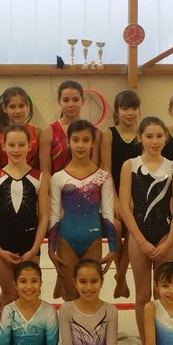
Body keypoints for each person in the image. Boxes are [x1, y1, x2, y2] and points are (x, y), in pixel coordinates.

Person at [119, 116, 173, 342]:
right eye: (149, 136)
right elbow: (124, 207)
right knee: (143, 294)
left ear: (166, 137)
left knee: (165, 293)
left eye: (159, 136)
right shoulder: (130, 165)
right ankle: (148, 344)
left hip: (165, 234)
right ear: (140, 138)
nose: (154, 141)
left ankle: (165, 342)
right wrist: (141, 240)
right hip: (139, 235)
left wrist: (170, 240)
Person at [47, 119, 118, 301]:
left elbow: (108, 214)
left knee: (90, 293)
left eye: (86, 140)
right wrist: (51, 249)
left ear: (93, 143)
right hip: (66, 239)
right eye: (76, 140)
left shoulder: (103, 177)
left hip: (93, 239)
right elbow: (54, 214)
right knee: (71, 294)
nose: (80, 145)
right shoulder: (58, 177)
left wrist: (112, 248)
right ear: (67, 142)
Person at [0, 124, 49, 306]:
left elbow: (44, 217)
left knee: (28, 295)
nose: (16, 150)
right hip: (4, 245)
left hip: (30, 244)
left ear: (30, 146)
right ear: (3, 146)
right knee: (9, 295)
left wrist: (34, 249)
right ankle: (4, 325)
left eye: (21, 145)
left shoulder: (39, 177)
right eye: (11, 145)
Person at [101, 90, 142, 300]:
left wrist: (133, 198)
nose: (130, 113)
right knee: (117, 228)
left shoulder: (142, 134)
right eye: (125, 108)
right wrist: (115, 199)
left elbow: (142, 169)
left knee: (133, 231)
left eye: (134, 108)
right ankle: (121, 273)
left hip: (137, 192)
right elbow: (106, 169)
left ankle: (122, 274)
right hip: (113, 191)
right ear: (117, 111)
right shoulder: (108, 134)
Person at [40, 80, 98, 176]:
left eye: (76, 100)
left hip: (88, 184)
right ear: (59, 101)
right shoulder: (48, 132)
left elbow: (95, 170)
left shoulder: (95, 133)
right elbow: (45, 172)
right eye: (66, 100)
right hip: (56, 184)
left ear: (83, 101)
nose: (71, 105)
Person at [0, 86, 40, 170]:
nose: (18, 111)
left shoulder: (37, 132)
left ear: (28, 106)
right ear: (4, 108)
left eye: (21, 106)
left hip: (33, 176)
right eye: (12, 107)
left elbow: (43, 167)